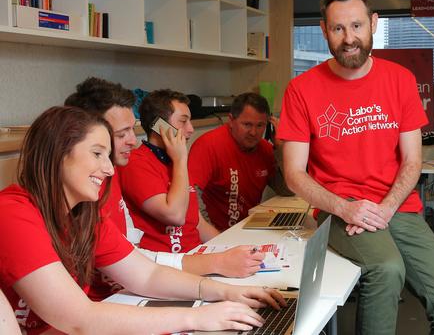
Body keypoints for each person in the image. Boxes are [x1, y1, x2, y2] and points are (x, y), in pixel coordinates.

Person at [278, 0, 434, 335]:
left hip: (398, 207)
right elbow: (293, 173)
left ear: (374, 23)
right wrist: (345, 208)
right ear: (324, 30)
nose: (348, 38)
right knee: (386, 268)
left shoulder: (400, 80)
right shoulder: (302, 89)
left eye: (356, 26)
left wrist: (388, 206)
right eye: (338, 28)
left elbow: (412, 161)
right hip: (341, 209)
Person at [0, 106, 284, 334]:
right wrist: (196, 317)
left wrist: (228, 292)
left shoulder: (84, 214)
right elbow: (79, 318)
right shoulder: (13, 214)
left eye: (108, 156)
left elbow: (147, 275)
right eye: (97, 154)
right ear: (58, 154)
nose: (109, 169)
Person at [65, 78, 266, 301]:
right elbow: (175, 217)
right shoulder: (130, 168)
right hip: (125, 291)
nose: (133, 140)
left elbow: (188, 223)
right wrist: (181, 158)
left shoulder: (108, 180)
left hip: (146, 279)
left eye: (133, 130)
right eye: (122, 134)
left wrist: (228, 252)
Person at [119, 90, 264, 271]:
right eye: (183, 121)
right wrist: (180, 160)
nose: (190, 129)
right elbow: (175, 216)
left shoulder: (175, 161)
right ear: (159, 126)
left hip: (196, 257)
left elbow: (196, 222)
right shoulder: (136, 163)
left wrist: (230, 248)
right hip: (169, 269)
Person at [189, 92, 293, 232]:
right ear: (231, 121)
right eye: (247, 124)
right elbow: (191, 198)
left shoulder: (266, 149)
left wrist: (281, 149)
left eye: (260, 125)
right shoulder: (208, 145)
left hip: (246, 228)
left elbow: (287, 191)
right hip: (215, 232)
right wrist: (212, 236)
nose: (254, 132)